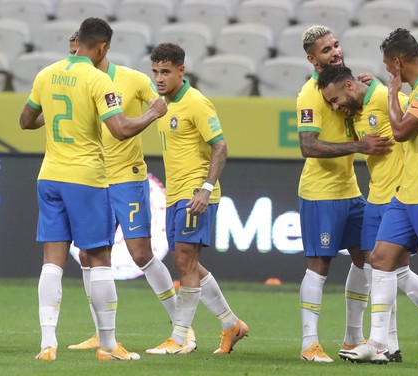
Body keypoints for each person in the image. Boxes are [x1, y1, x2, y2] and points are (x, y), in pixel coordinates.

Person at [19, 17, 167, 361]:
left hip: (49, 175)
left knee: (52, 262)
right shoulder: (99, 80)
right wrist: (152, 114)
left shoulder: (46, 74)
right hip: (85, 178)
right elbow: (120, 129)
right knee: (99, 259)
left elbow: (26, 121)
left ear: (78, 42)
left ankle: (48, 344)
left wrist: (57, 112)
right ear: (102, 47)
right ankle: (109, 345)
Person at [317, 65, 418, 362]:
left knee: (394, 269)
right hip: (376, 197)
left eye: (336, 99)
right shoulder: (353, 113)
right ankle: (388, 346)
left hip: (404, 194)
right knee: (381, 268)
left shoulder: (384, 98)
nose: (335, 107)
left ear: (350, 87)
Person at [63, 30, 182, 352]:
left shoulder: (131, 79)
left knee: (141, 253)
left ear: (99, 50)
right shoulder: (72, 83)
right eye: (71, 51)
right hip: (92, 179)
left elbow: (161, 106)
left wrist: (149, 119)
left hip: (126, 178)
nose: (75, 57)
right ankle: (101, 334)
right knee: (89, 254)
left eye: (80, 51)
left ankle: (182, 329)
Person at [144, 43, 249, 355]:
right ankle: (232, 325)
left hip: (194, 193)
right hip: (175, 194)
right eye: (155, 72)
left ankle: (178, 339)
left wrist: (205, 188)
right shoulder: (162, 106)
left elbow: (220, 146)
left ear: (181, 71)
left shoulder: (197, 103)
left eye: (165, 72)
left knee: (185, 262)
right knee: (186, 262)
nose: (159, 78)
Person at [296, 25, 393, 363]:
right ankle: (310, 344)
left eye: (336, 45)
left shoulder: (345, 83)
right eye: (326, 50)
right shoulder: (311, 94)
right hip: (321, 193)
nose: (335, 52)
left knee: (367, 259)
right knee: (320, 264)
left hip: (350, 190)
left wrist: (374, 86)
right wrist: (359, 145)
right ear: (312, 58)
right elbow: (307, 146)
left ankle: (353, 338)